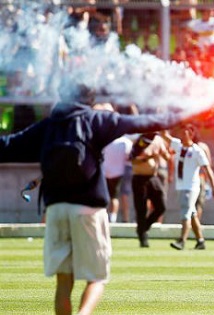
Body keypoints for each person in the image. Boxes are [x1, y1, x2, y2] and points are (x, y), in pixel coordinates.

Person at [0, 85, 196, 315]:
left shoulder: (49, 124)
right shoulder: (96, 120)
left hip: (55, 208)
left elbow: (8, 145)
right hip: (88, 209)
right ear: (89, 101)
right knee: (97, 279)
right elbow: (145, 122)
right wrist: (187, 111)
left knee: (63, 283)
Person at [167, 124, 214, 250]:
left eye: (185, 133)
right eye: (181, 132)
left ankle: (182, 240)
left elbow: (207, 168)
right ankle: (200, 240)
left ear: (191, 134)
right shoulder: (178, 146)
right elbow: (165, 136)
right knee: (192, 213)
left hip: (191, 186)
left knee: (185, 212)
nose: (182, 135)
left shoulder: (196, 151)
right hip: (181, 185)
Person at [130, 129, 172, 247]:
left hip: (153, 177)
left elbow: (167, 156)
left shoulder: (158, 140)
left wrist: (168, 153)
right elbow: (133, 159)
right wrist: (147, 158)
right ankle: (143, 237)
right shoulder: (140, 141)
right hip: (139, 178)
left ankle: (143, 228)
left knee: (161, 206)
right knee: (141, 209)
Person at [99, 104, 133, 223]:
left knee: (110, 197)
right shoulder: (125, 142)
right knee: (114, 197)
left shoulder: (105, 139)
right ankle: (112, 219)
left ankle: (110, 218)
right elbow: (129, 158)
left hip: (107, 172)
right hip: (117, 173)